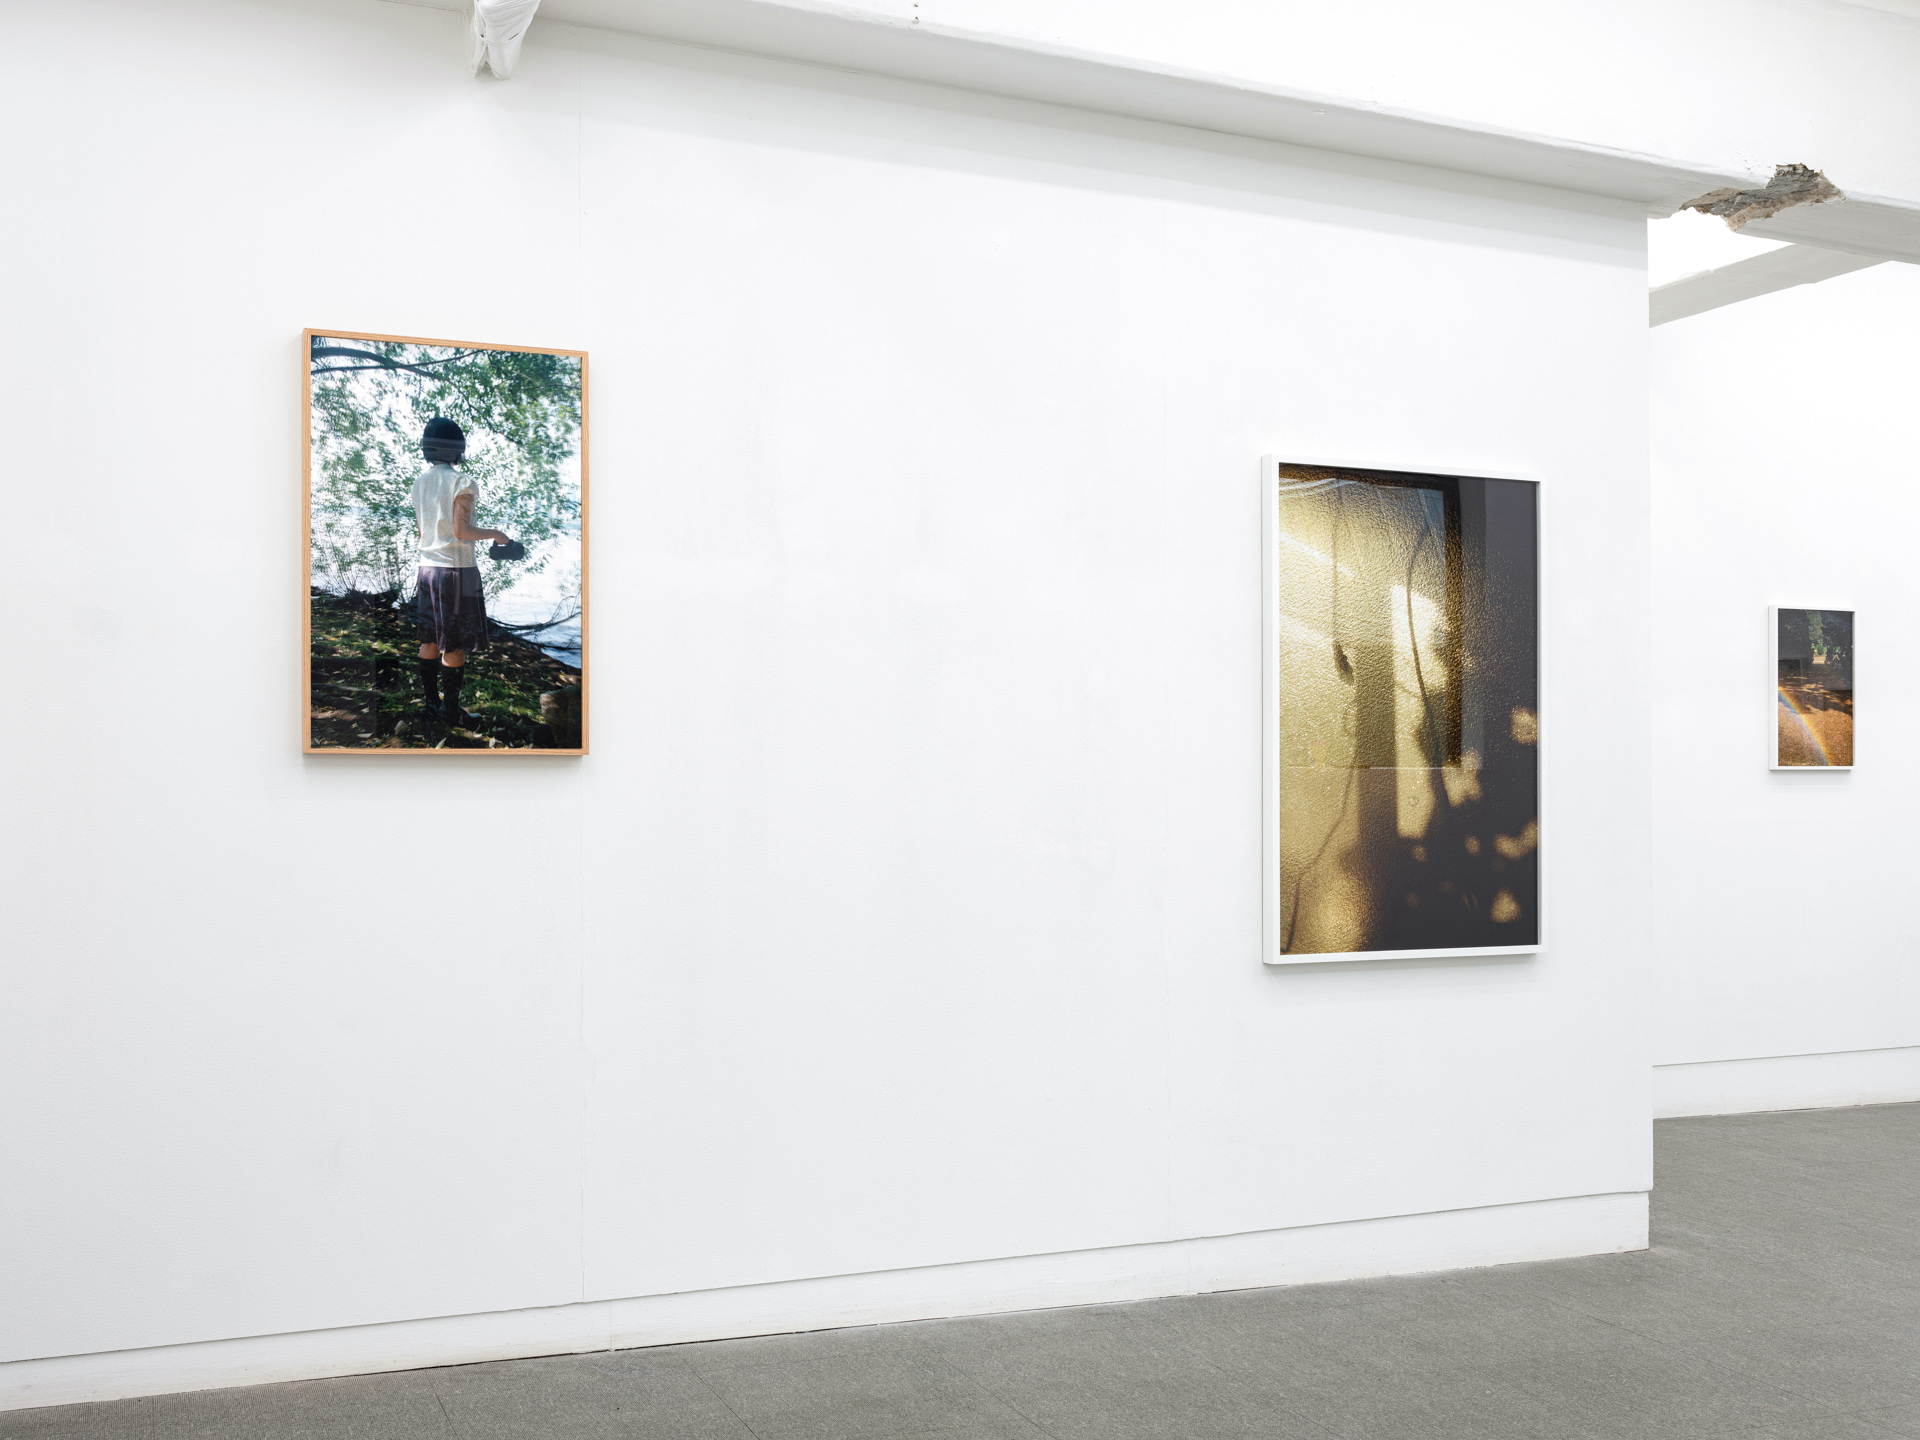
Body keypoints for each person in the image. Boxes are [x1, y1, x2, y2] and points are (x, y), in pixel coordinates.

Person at [412, 417, 511, 727]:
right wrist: (498, 535)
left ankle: (432, 707)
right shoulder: (462, 482)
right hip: (455, 573)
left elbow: (423, 531)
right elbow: (462, 531)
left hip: (427, 570)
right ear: (458, 448)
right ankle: (452, 713)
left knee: (430, 640)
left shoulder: (420, 483)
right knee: (453, 645)